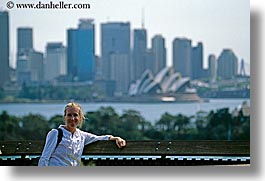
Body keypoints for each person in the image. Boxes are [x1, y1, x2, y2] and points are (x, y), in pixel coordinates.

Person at [38, 102, 126, 166]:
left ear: (80, 118)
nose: (72, 118)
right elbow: (44, 158)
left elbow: (100, 138)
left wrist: (115, 138)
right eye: (69, 115)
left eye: (75, 115)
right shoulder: (55, 134)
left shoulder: (82, 136)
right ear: (65, 117)